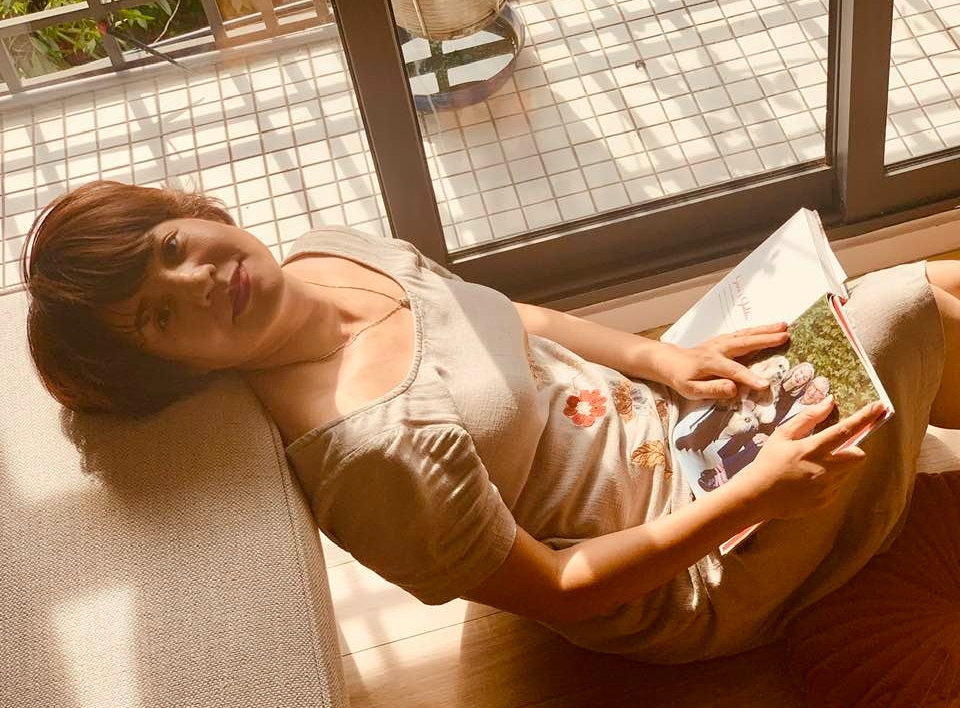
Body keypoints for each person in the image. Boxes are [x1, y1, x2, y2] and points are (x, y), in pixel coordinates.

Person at [21, 181, 960, 664]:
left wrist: (658, 359)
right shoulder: (362, 453)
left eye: (170, 247)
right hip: (695, 560)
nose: (197, 280)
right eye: (158, 315)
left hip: (679, 420)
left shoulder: (327, 251)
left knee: (916, 290)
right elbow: (559, 589)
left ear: (189, 214)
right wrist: (756, 495)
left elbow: (501, 316)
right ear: (178, 372)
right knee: (897, 311)